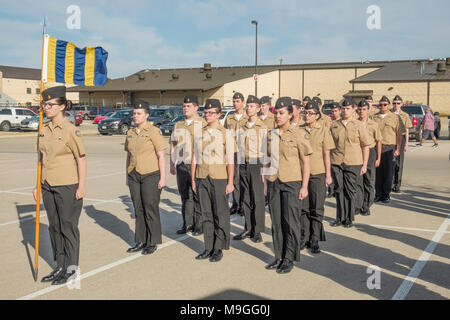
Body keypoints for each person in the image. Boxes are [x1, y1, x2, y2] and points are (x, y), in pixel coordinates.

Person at [34, 86, 86, 285]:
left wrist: (81, 186)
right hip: (48, 185)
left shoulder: (71, 130)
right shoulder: (44, 129)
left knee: (68, 227)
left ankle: (71, 269)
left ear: (62, 106)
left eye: (50, 104)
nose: (46, 108)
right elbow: (41, 158)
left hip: (67, 186)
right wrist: (37, 185)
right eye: (44, 104)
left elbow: (81, 159)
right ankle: (61, 266)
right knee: (54, 227)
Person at [265, 96, 312, 274]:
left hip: (292, 183)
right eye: (276, 113)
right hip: (273, 182)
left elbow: (306, 162)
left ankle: (289, 258)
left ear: (290, 114)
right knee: (276, 221)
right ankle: (278, 255)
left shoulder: (299, 134)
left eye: (281, 113)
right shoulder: (270, 134)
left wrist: (305, 186)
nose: (277, 116)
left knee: (290, 221)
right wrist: (265, 184)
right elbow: (266, 160)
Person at [191, 99, 235, 262]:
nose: (208, 115)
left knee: (220, 214)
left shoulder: (226, 134)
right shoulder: (199, 133)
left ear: (219, 114)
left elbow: (230, 160)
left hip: (219, 178)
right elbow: (195, 157)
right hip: (202, 177)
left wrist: (231, 182)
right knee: (206, 213)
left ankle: (219, 247)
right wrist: (194, 179)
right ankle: (208, 246)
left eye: (211, 113)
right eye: (206, 112)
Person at [125, 103, 167, 255]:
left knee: (150, 208)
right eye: (134, 113)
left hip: (151, 174)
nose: (135, 116)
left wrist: (162, 178)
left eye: (139, 113)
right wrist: (127, 175)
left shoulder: (154, 131)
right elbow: (128, 155)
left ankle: (152, 241)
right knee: (138, 208)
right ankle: (141, 240)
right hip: (134, 174)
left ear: (147, 115)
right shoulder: (130, 132)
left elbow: (161, 155)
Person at [299, 101, 335, 253]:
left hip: (318, 174)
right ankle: (304, 237)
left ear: (317, 115)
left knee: (317, 208)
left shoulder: (324, 130)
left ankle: (314, 239)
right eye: (305, 113)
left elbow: (327, 154)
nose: (307, 116)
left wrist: (328, 175)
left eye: (311, 113)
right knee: (303, 208)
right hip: (301, 175)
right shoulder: (298, 130)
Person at [329, 97, 371, 228]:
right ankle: (339, 217)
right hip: (337, 161)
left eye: (348, 108)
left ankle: (348, 218)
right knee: (338, 190)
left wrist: (364, 164)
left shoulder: (359, 125)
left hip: (353, 162)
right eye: (343, 108)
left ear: (354, 110)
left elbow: (365, 146)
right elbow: (330, 144)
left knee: (350, 190)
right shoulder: (335, 124)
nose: (345, 111)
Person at [170, 95, 206, 235]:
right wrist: (172, 163)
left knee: (197, 195)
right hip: (182, 165)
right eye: (184, 106)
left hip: (196, 165)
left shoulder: (203, 124)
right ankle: (187, 224)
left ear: (196, 107)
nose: (185, 108)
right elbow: (173, 145)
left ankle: (199, 225)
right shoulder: (178, 125)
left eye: (189, 106)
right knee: (185, 197)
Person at [234, 95, 267, 243]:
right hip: (243, 163)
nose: (248, 108)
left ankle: (257, 230)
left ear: (259, 108)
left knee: (258, 198)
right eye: (247, 106)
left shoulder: (264, 127)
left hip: (257, 164)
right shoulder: (241, 127)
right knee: (245, 197)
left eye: (252, 106)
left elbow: (267, 151)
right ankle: (247, 227)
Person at [373, 96, 404, 203]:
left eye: (385, 104)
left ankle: (386, 194)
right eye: (380, 105)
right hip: (376, 148)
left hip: (389, 148)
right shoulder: (374, 117)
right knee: (377, 173)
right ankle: (378, 194)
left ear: (389, 105)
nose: (382, 106)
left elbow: (399, 134)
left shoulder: (395, 117)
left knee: (388, 172)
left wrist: (398, 149)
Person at [355, 99, 382, 216]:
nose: (361, 112)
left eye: (364, 109)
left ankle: (367, 205)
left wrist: (378, 157)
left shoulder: (374, 124)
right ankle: (358, 204)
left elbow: (379, 141)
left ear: (368, 110)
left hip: (370, 152)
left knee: (369, 180)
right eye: (360, 109)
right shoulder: (354, 123)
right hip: (357, 152)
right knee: (358, 180)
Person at [225, 92, 248, 216]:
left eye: (238, 101)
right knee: (234, 178)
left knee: (243, 179)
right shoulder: (229, 118)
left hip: (244, 152)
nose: (235, 103)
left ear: (243, 102)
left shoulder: (247, 117)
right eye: (234, 101)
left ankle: (244, 204)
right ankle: (236, 203)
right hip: (232, 151)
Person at [391, 95, 412, 193]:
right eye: (394, 103)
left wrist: (407, 144)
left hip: (401, 139)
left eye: (398, 103)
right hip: (390, 139)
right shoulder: (389, 114)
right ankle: (389, 183)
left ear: (402, 104)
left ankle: (397, 184)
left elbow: (407, 130)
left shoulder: (405, 115)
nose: (396, 105)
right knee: (390, 163)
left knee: (399, 163)